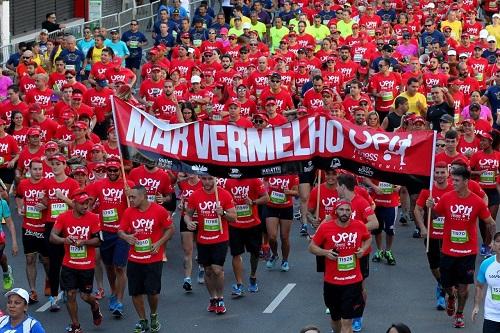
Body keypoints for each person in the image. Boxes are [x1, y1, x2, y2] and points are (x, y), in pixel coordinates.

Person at [427, 165, 496, 328]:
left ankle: (459, 314)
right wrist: (431, 206)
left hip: (467, 252)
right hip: (448, 250)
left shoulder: (477, 201)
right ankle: (451, 296)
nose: (453, 183)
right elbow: (437, 214)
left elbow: (490, 222)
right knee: (446, 284)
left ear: (466, 181)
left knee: (464, 287)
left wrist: (490, 241)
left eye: (457, 180)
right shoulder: (446, 197)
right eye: (453, 180)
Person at [308, 200, 371, 333]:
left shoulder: (359, 225)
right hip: (332, 282)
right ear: (335, 211)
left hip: (353, 281)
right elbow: (312, 247)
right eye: (341, 210)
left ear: (351, 212)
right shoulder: (326, 227)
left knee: (347, 321)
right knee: (335, 319)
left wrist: (363, 249)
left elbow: (368, 238)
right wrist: (326, 253)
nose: (345, 213)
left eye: (348, 210)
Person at [118, 185, 174, 333]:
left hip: (153, 258)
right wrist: (126, 237)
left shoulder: (158, 210)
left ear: (143, 196)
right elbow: (120, 231)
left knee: (152, 292)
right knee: (135, 292)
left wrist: (159, 243)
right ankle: (142, 320)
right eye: (129, 197)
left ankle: (153, 315)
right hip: (134, 258)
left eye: (133, 197)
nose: (130, 199)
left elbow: (170, 228)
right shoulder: (128, 212)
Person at [86, 158, 134, 318]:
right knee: (109, 266)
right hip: (104, 232)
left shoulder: (129, 185)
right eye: (110, 170)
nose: (112, 173)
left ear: (120, 171)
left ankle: (119, 301)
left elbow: (138, 205)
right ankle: (113, 292)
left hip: (122, 232)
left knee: (120, 267)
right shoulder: (98, 185)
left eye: (115, 170)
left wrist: (131, 196)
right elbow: (88, 203)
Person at [50, 191, 102, 333]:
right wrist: (64, 240)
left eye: (87, 203)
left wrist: (84, 242)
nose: (86, 206)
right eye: (82, 203)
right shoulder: (63, 217)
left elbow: (98, 241)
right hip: (69, 264)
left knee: (85, 296)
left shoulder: (93, 218)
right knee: (70, 294)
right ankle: (76, 326)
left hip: (87, 265)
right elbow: (52, 236)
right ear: (74, 204)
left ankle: (95, 305)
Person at [184, 175, 236, 315]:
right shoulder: (195, 195)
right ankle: (212, 298)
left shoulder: (224, 194)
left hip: (220, 237)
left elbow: (234, 217)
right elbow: (187, 214)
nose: (207, 182)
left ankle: (220, 298)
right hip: (203, 239)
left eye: (210, 179)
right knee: (207, 271)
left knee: (217, 270)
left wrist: (223, 213)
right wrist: (188, 222)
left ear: (216, 179)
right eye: (204, 179)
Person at [414, 162, 454, 311]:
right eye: (436, 172)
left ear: (448, 173)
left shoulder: (453, 189)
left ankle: (445, 291)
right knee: (434, 266)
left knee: (448, 266)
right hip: (432, 236)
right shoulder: (428, 190)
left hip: (450, 236)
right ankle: (442, 284)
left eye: (442, 172)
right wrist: (422, 227)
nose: (439, 175)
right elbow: (417, 210)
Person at [224, 177, 269, 295]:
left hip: (253, 224)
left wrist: (253, 202)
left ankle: (253, 277)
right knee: (236, 254)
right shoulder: (228, 182)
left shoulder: (254, 180)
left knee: (254, 253)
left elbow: (266, 198)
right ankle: (239, 284)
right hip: (235, 225)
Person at [15, 159, 50, 303]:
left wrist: (45, 205)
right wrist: (19, 207)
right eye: (35, 169)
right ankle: (33, 291)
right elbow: (18, 197)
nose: (38, 172)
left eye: (40, 169)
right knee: (30, 259)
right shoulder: (23, 184)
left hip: (44, 227)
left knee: (46, 260)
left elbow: (53, 202)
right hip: (28, 226)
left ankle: (49, 280)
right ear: (29, 170)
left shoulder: (47, 184)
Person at [472, 231, 500, 333]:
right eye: (498, 241)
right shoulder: (486, 264)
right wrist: (476, 305)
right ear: (493, 244)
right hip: (491, 316)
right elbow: (479, 286)